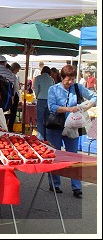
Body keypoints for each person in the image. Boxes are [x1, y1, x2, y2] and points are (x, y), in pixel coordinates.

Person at [47, 64, 97, 198]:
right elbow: (52, 107)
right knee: (55, 155)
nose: (70, 82)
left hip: (73, 126)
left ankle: (76, 186)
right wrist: (69, 109)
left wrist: (86, 106)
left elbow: (94, 97)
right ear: (61, 77)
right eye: (67, 79)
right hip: (56, 126)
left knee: (74, 156)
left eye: (72, 79)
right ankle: (54, 183)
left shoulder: (78, 87)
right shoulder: (53, 89)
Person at [0, 56, 19, 131]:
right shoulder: (10, 74)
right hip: (7, 99)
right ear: (5, 63)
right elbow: (14, 89)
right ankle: (8, 130)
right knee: (7, 116)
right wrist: (12, 99)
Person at [33, 66, 54, 141]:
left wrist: (37, 96)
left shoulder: (38, 78)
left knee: (40, 120)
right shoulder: (51, 79)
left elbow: (36, 88)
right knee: (47, 120)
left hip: (41, 99)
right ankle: (47, 137)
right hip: (49, 100)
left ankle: (40, 137)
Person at [8, 62, 22, 132]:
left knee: (7, 114)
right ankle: (10, 129)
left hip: (7, 97)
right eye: (18, 70)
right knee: (12, 114)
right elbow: (16, 89)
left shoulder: (7, 75)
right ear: (15, 69)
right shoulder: (13, 76)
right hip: (13, 96)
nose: (18, 71)